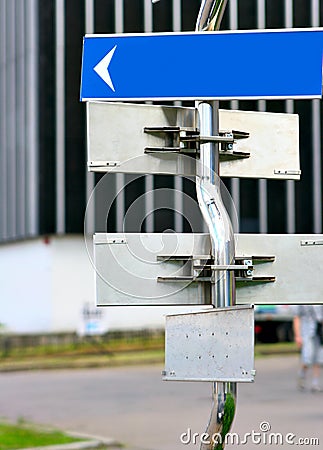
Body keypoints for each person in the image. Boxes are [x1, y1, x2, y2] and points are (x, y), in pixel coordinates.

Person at [293, 305, 323, 392]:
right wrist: (298, 336)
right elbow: (296, 317)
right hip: (306, 331)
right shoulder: (302, 301)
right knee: (307, 357)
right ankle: (301, 375)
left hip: (319, 331)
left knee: (318, 358)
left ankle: (315, 383)